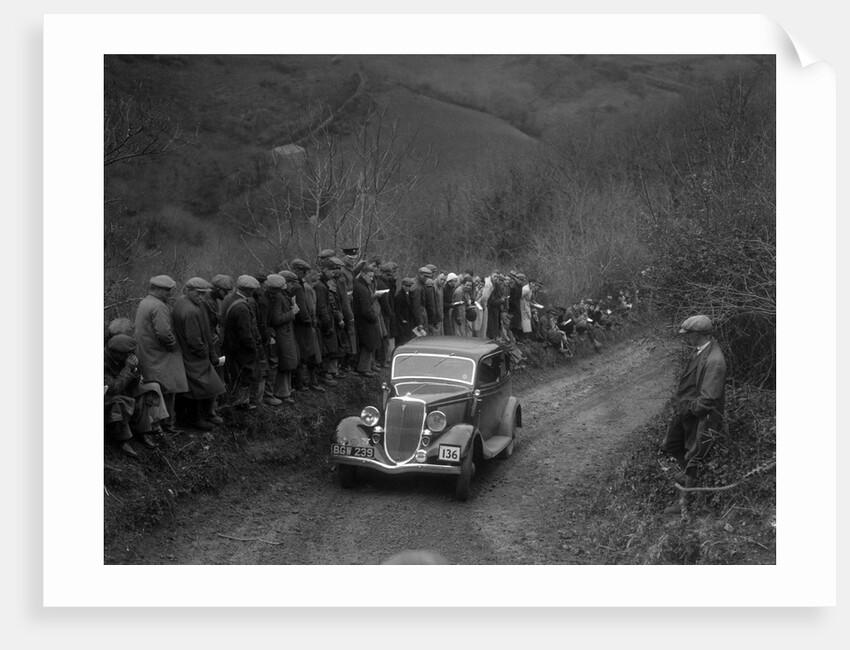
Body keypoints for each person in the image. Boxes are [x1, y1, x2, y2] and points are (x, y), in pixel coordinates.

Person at [661, 315, 727, 512]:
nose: (686, 338)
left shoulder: (714, 360)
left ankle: (686, 504)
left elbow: (708, 399)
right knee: (671, 443)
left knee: (693, 458)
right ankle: (688, 475)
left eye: (688, 334)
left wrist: (688, 409)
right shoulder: (701, 351)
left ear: (697, 335)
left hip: (701, 418)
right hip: (687, 413)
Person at [133, 275, 188, 433]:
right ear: (156, 289)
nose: (169, 293)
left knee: (155, 388)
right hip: (160, 355)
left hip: (147, 353)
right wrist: (173, 346)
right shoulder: (158, 306)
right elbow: (164, 333)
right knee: (168, 389)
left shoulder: (145, 302)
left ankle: (158, 424)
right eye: (166, 290)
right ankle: (168, 424)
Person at [171, 277, 227, 430]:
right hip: (193, 355)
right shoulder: (190, 311)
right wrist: (204, 353)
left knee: (196, 387)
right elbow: (194, 340)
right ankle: (196, 419)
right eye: (198, 293)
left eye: (203, 294)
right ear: (188, 291)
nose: (201, 297)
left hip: (189, 353)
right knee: (201, 387)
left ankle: (200, 415)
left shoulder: (184, 302)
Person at [104, 334, 169, 457]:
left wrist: (134, 371)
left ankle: (143, 431)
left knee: (146, 393)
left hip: (124, 390)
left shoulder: (121, 358)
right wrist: (128, 368)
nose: (130, 357)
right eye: (127, 355)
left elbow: (133, 383)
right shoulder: (104, 363)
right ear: (116, 353)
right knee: (119, 403)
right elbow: (114, 389)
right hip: (109, 396)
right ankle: (123, 440)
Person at [221, 274, 262, 410]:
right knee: (245, 376)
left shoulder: (228, 299)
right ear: (249, 291)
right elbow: (246, 333)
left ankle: (236, 401)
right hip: (240, 348)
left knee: (234, 374)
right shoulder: (243, 307)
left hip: (230, 345)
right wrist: (253, 349)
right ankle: (242, 404)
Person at [289, 258, 328, 393]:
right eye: (303, 272)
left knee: (310, 353)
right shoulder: (298, 287)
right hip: (302, 326)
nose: (305, 275)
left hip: (304, 324)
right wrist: (308, 320)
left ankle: (307, 382)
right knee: (307, 354)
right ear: (296, 271)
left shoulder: (299, 285)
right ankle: (305, 382)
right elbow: (303, 308)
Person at [266, 273, 300, 404]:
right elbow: (276, 318)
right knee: (285, 363)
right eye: (291, 283)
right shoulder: (279, 298)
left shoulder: (283, 296)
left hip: (286, 334)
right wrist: (292, 312)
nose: (292, 286)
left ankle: (286, 390)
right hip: (282, 335)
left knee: (288, 362)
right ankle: (282, 392)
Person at [313, 258, 348, 385]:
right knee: (326, 349)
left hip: (328, 319)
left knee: (329, 348)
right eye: (331, 271)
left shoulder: (324, 284)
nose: (333, 273)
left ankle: (326, 372)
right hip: (325, 321)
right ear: (325, 270)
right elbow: (322, 307)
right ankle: (323, 373)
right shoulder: (321, 286)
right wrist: (327, 324)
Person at [352, 263, 382, 377]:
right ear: (363, 275)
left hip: (362, 320)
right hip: (365, 321)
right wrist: (374, 318)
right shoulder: (363, 289)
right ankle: (363, 368)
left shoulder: (360, 286)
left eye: (372, 277)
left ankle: (366, 367)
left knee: (367, 343)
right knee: (368, 344)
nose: (371, 279)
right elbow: (366, 309)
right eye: (369, 276)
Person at [393, 277, 416, 345]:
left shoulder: (410, 294)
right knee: (402, 338)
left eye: (409, 286)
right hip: (401, 321)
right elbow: (397, 309)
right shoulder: (399, 295)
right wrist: (402, 319)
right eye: (406, 286)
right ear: (402, 285)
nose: (408, 288)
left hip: (408, 319)